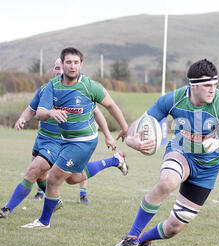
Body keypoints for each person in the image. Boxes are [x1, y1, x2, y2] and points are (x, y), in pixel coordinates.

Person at [113, 59, 219, 246]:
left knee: (175, 227)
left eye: (215, 85)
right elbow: (142, 122)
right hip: (181, 151)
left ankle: (144, 240)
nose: (213, 90)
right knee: (168, 181)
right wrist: (133, 140)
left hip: (208, 168)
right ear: (193, 85)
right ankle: (131, 237)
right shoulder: (174, 98)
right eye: (207, 85)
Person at [0, 58, 127, 219]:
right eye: (57, 68)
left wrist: (108, 135)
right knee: (71, 178)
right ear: (53, 70)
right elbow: (31, 109)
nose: (60, 71)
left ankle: (6, 209)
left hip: (59, 141)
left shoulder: (77, 90)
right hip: (42, 138)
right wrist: (22, 119)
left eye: (63, 68)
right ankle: (113, 161)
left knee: (32, 171)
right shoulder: (45, 89)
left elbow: (98, 113)